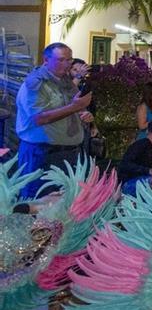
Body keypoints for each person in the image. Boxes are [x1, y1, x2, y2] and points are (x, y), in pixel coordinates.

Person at [15, 43, 93, 198]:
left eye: (69, 60)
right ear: (46, 60)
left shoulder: (66, 83)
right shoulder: (35, 84)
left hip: (68, 153)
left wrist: (84, 115)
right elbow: (39, 118)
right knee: (38, 205)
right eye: (61, 60)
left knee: (64, 207)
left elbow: (73, 108)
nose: (67, 64)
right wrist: (74, 107)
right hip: (41, 154)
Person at [118, 119, 152, 195]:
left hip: (145, 180)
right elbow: (125, 164)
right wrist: (148, 170)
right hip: (130, 183)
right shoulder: (140, 145)